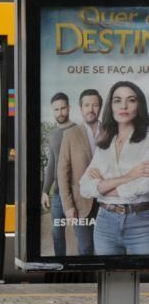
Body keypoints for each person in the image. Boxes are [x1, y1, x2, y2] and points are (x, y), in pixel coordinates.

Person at [79, 81, 149, 256]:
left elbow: (144, 186)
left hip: (141, 223)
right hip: (105, 222)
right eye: (117, 100)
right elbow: (85, 186)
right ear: (111, 106)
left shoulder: (147, 139)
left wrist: (102, 186)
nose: (123, 106)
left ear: (139, 104)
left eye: (131, 100)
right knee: (108, 276)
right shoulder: (105, 142)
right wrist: (128, 177)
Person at [57, 88, 102, 255]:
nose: (91, 109)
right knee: (86, 248)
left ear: (100, 107)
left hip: (109, 203)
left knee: (108, 250)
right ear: (81, 108)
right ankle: (88, 281)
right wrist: (68, 206)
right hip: (81, 204)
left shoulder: (111, 133)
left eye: (95, 105)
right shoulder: (70, 134)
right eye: (87, 105)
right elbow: (62, 173)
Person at [41, 93, 74, 256]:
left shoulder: (78, 130)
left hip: (77, 191)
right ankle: (61, 263)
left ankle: (87, 264)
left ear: (69, 108)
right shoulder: (52, 135)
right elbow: (51, 164)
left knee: (83, 233)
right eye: (56, 109)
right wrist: (45, 190)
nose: (60, 112)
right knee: (56, 232)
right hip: (58, 193)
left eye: (63, 108)